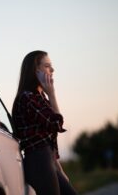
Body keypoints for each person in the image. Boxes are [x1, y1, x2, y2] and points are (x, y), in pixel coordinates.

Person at [12, 50, 77, 195]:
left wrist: (59, 169)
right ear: (36, 71)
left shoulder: (39, 98)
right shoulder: (28, 98)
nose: (52, 70)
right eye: (47, 66)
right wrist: (52, 93)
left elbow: (49, 140)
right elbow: (56, 124)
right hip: (37, 160)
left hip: (47, 159)